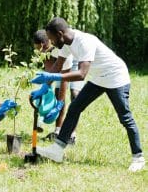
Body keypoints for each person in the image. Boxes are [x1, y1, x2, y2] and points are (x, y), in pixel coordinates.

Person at [31, 17, 145, 172]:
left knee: (125, 117)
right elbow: (58, 65)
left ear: (59, 34)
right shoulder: (64, 43)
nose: (51, 43)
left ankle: (138, 158)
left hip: (116, 77)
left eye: (51, 39)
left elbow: (82, 74)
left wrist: (54, 77)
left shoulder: (85, 41)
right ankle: (58, 149)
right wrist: (45, 87)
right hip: (99, 78)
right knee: (75, 107)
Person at [33, 30, 83, 144]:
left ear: (44, 45)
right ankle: (57, 131)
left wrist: (59, 104)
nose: (38, 52)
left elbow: (64, 77)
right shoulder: (45, 52)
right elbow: (50, 75)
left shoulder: (60, 47)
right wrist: (45, 94)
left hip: (76, 61)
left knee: (75, 95)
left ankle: (72, 135)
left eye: (38, 49)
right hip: (61, 65)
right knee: (57, 93)